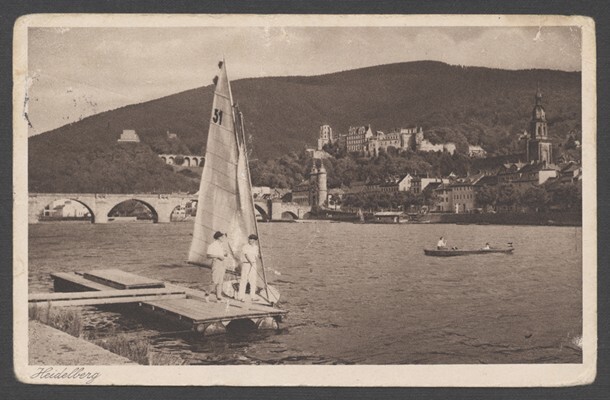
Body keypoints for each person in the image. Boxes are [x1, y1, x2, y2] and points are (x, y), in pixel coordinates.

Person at [237, 234, 260, 302]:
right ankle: (241, 297)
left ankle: (253, 296)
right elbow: (246, 255)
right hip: (246, 264)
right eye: (249, 239)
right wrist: (250, 262)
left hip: (253, 264)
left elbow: (256, 256)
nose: (250, 240)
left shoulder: (256, 247)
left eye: (252, 239)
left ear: (255, 240)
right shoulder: (245, 246)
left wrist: (260, 256)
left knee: (253, 280)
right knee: (244, 280)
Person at [206, 231, 228, 300]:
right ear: (218, 237)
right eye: (222, 237)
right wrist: (218, 256)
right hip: (216, 263)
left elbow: (223, 254)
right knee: (214, 281)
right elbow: (208, 255)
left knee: (220, 281)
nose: (223, 238)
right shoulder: (212, 245)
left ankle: (219, 297)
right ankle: (207, 293)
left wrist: (225, 254)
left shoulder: (221, 245)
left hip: (222, 263)